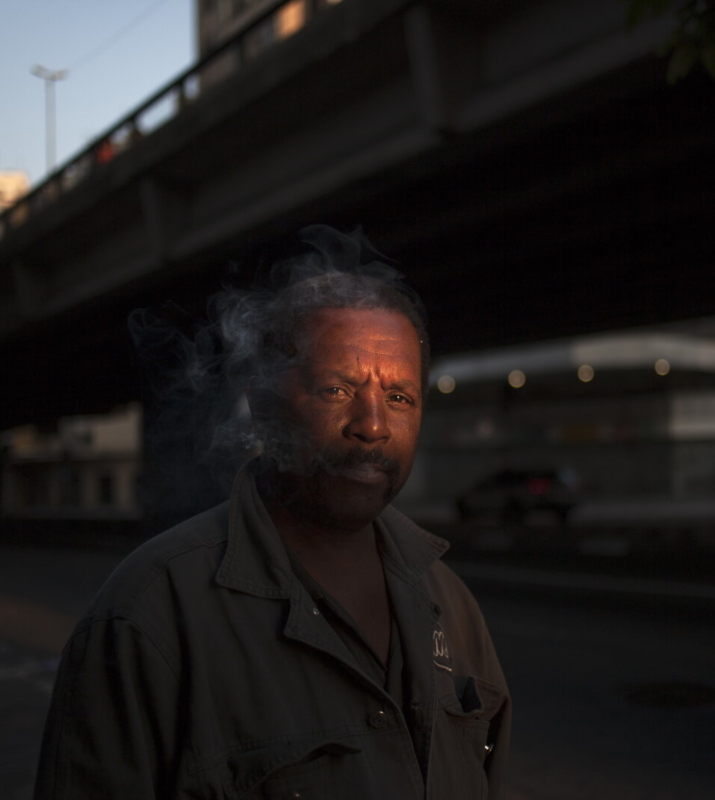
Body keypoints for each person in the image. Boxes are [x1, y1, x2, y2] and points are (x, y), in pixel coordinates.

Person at [34, 250, 511, 799]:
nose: (374, 425)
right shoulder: (149, 615)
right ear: (262, 406)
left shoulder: (451, 608)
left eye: (399, 397)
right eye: (337, 390)